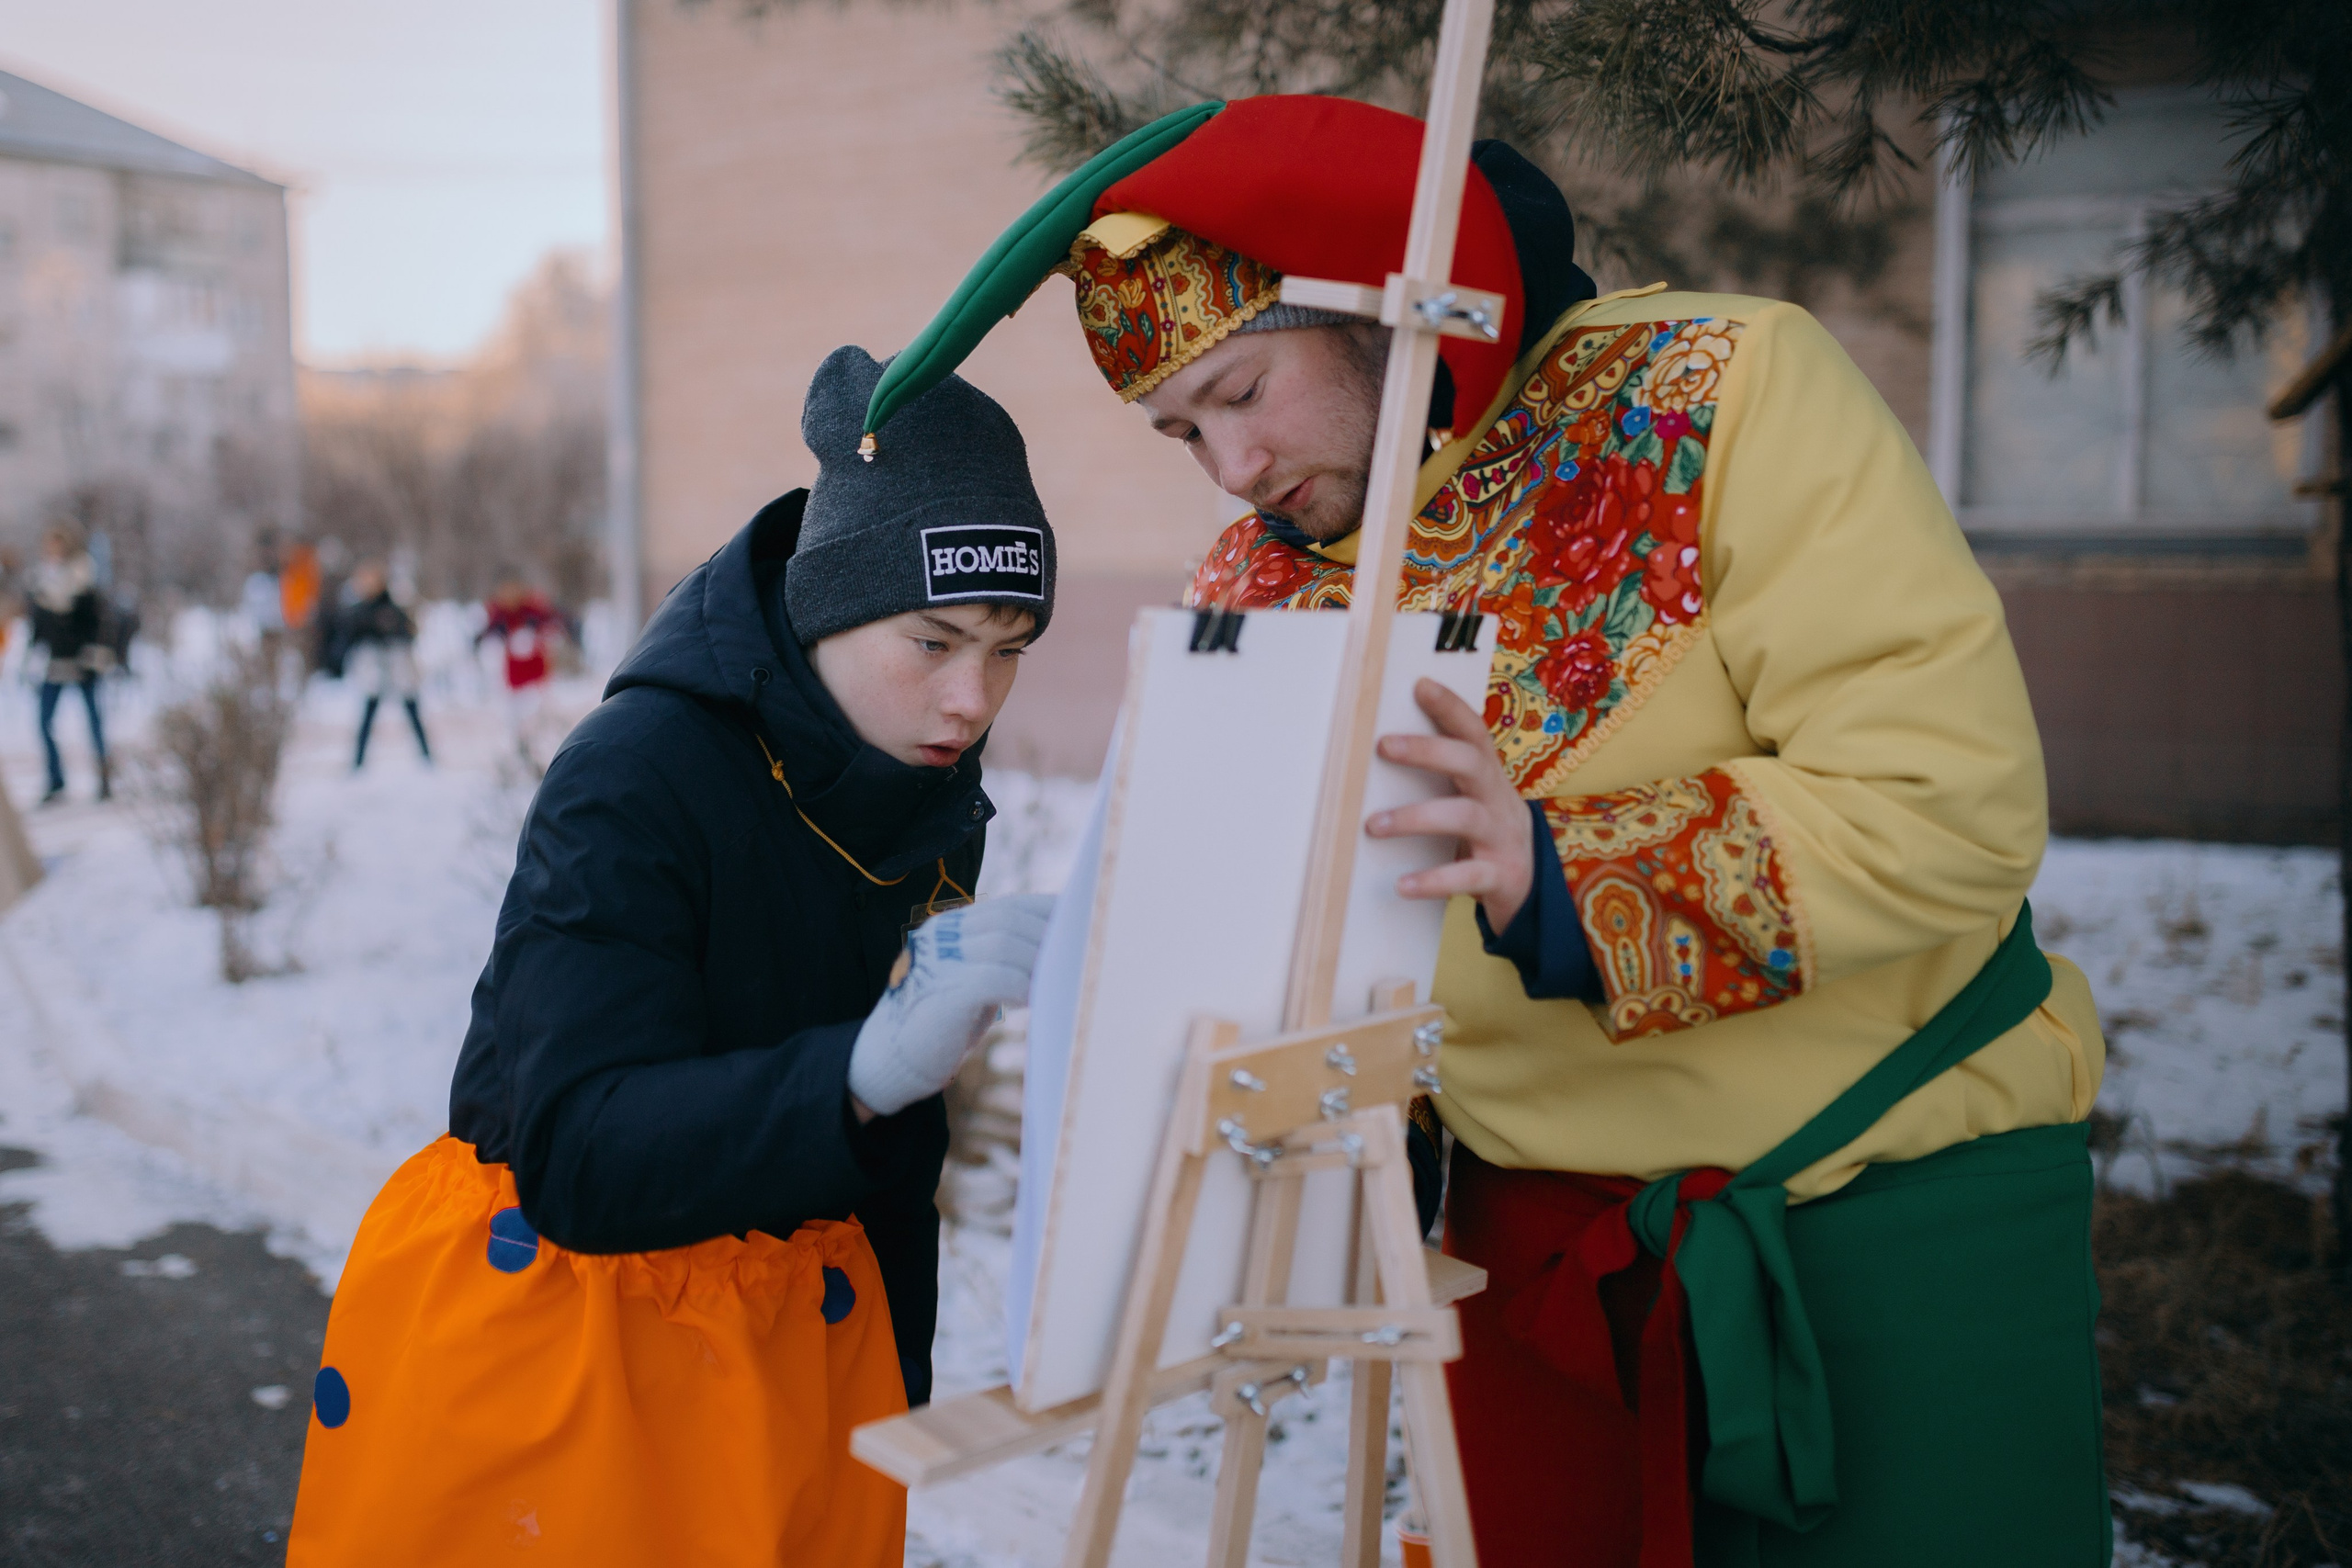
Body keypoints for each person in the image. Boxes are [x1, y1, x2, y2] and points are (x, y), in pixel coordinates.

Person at [873, 96, 2111, 1567]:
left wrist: (1572, 868)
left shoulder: (1716, 392)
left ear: (1369, 303)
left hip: (1878, 1225)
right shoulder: (1253, 588)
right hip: (1526, 1279)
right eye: (1180, 429)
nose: (1231, 468)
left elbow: (1947, 796)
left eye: (1243, 390)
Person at [288, 346, 1057, 1567]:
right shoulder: (636, 770)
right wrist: (858, 1068)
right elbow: (578, 1149)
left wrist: (890, 1386)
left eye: (1010, 647)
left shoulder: (914, 783)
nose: (973, 698)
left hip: (797, 1357)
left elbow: (891, 1149)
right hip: (567, 1366)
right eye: (935, 640)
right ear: (829, 607)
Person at [25, 525, 111, 805]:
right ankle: (55, 779)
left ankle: (104, 777)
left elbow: (96, 622)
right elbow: (38, 625)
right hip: (55, 662)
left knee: (93, 721)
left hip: (82, 661)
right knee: (44, 721)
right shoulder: (41, 581)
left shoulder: (83, 578)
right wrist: (31, 655)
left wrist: (94, 653)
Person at [333, 559, 432, 770]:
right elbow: (347, 636)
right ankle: (358, 762)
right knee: (368, 714)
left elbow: (409, 631)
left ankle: (426, 757)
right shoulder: (358, 610)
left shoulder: (394, 604)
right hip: (374, 671)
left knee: (411, 710)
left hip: (397, 668)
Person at [474, 568, 570, 771]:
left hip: (537, 677)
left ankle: (545, 755)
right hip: (514, 679)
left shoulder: (534, 610)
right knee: (516, 722)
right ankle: (522, 756)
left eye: (512, 589)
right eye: (504, 591)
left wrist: (541, 633)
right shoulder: (498, 614)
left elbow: (556, 624)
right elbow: (485, 637)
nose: (509, 595)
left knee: (540, 719)